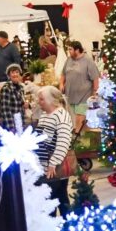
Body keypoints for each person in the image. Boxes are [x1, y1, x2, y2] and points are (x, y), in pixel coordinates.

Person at [35, 86, 73, 216]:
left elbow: (64, 141)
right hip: (45, 165)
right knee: (54, 198)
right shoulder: (45, 115)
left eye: (41, 99)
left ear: (51, 101)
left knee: (56, 198)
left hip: (56, 167)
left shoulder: (61, 116)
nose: (38, 102)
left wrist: (53, 162)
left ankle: (63, 226)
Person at [59, 41, 100, 131]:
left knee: (80, 119)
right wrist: (61, 84)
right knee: (76, 121)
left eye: (70, 49)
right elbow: (63, 74)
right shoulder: (69, 60)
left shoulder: (88, 61)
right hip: (70, 96)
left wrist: (94, 93)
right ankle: (83, 139)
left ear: (77, 50)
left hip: (84, 96)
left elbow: (95, 78)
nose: (69, 51)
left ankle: (78, 140)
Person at [0, 64, 27, 131]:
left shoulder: (21, 88)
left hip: (20, 122)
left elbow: (21, 103)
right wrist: (11, 128)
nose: (15, 74)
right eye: (12, 72)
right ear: (9, 76)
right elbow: (5, 110)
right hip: (11, 124)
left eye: (17, 72)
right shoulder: (6, 88)